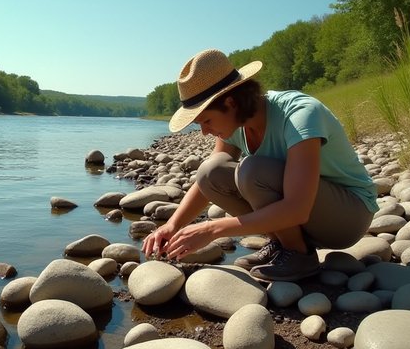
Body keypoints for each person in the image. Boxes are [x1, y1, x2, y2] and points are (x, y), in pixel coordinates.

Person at [141, 48, 378, 281]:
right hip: (311, 215)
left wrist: (212, 229)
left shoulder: (300, 114)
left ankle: (299, 256)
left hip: (348, 216)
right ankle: (282, 246)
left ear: (231, 103)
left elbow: (298, 208)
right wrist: (172, 225)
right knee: (210, 171)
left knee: (251, 171)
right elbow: (208, 181)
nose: (203, 132)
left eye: (206, 120)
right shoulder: (237, 123)